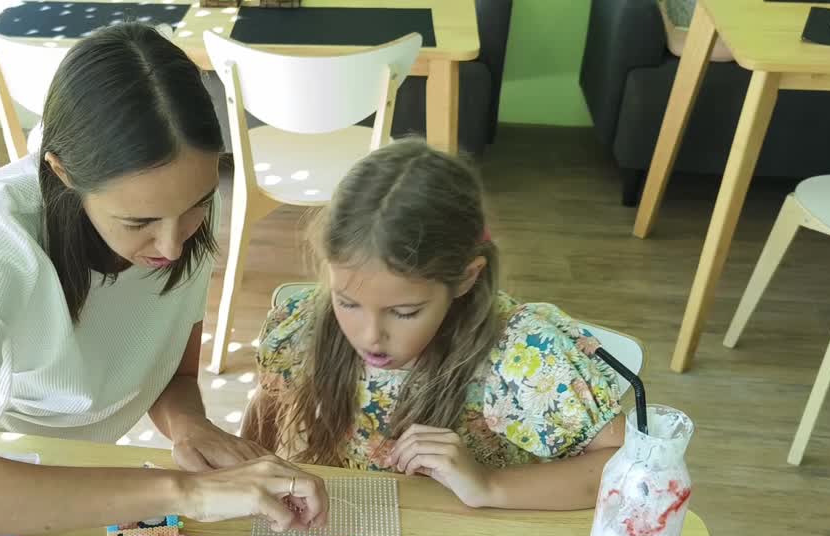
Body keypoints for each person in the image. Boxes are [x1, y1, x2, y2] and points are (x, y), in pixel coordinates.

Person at [0, 23, 326, 536]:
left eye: (198, 206)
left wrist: (190, 427)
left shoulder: (176, 214)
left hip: (80, 469)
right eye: (139, 223)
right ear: (61, 173)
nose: (172, 245)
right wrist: (183, 491)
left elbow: (171, 374)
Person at [243, 140, 625, 510]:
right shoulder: (304, 331)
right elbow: (265, 414)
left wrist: (489, 486)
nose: (370, 335)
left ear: (465, 278)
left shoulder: (521, 359)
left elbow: (624, 463)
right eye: (348, 302)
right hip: (360, 534)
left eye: (404, 312)